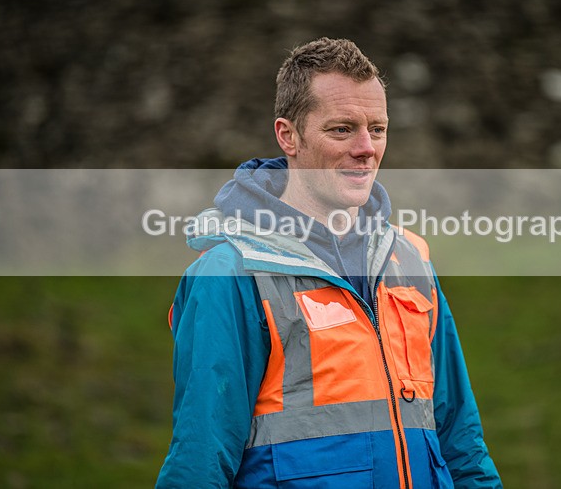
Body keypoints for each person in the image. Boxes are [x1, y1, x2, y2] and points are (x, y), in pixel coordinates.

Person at [156, 37, 502, 488]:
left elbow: (462, 440)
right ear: (288, 135)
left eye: (377, 129)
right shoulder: (231, 274)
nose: (366, 148)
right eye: (342, 129)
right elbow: (199, 461)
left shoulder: (409, 261)